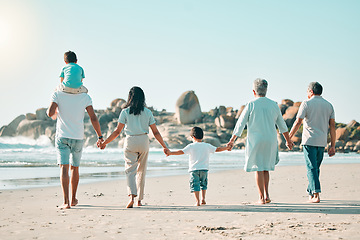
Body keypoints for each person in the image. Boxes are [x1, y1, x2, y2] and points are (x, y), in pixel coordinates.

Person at [98, 86, 169, 208]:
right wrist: (164, 146)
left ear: (129, 98)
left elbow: (117, 131)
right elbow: (156, 132)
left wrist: (105, 143)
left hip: (130, 140)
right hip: (143, 140)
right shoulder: (148, 112)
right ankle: (139, 200)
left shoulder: (125, 112)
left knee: (130, 170)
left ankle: (131, 196)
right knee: (142, 170)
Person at [227, 78, 293, 204]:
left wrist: (232, 140)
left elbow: (240, 124)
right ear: (266, 90)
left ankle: (261, 197)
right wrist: (288, 140)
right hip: (270, 140)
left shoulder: (251, 104)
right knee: (266, 168)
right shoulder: (274, 104)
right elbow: (282, 125)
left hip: (256, 140)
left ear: (254, 91)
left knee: (258, 168)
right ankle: (267, 195)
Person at [47, 90, 103, 209]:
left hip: (62, 137)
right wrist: (100, 136)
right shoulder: (85, 96)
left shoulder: (57, 94)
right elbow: (93, 118)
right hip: (78, 137)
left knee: (64, 167)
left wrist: (55, 108)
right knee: (75, 167)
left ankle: (66, 202)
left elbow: (49, 113)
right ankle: (73, 199)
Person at [289, 82, 335, 203]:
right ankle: (311, 192)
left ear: (311, 91)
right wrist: (333, 145)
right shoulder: (329, 105)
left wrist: (289, 137)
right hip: (321, 142)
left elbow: (298, 121)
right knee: (315, 168)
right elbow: (333, 127)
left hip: (309, 141)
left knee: (312, 168)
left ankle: (316, 194)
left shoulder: (306, 103)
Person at [164, 127, 230, 206]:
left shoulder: (191, 146)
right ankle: (203, 199)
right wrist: (226, 148)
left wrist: (170, 153)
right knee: (203, 184)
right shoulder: (207, 146)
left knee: (195, 185)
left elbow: (181, 152)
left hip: (194, 170)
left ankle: (197, 201)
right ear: (202, 137)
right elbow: (217, 149)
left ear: (193, 137)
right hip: (204, 169)